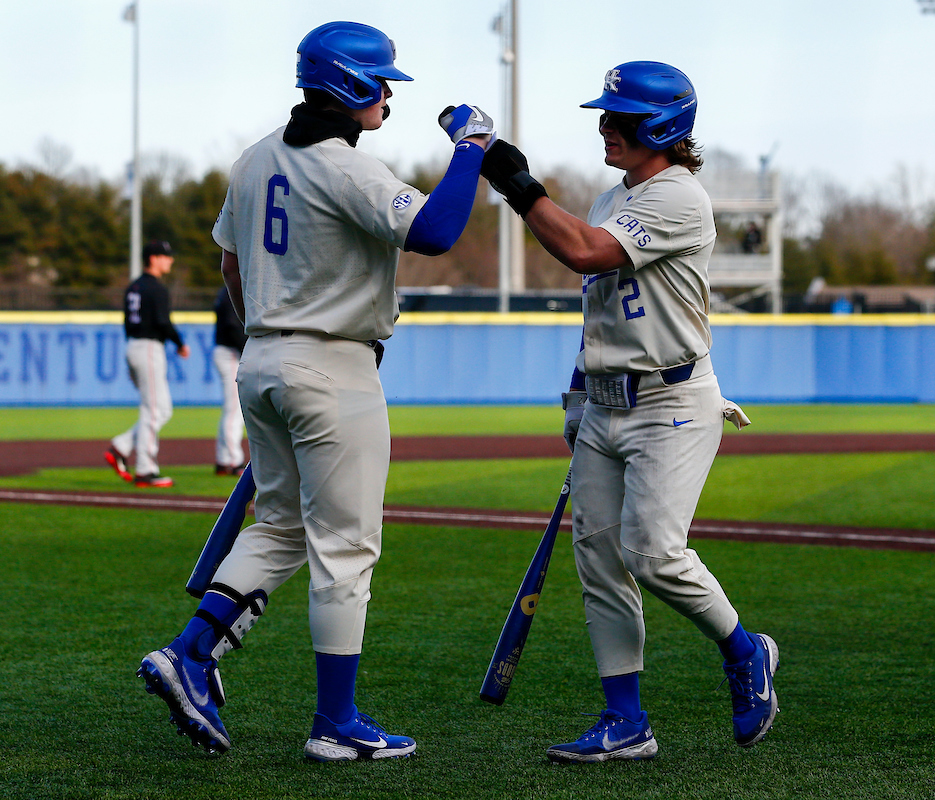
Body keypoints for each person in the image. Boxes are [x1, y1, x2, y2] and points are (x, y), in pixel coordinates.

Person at [137, 21, 495, 761]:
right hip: (333, 369)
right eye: (382, 80)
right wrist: (471, 151)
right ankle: (336, 725)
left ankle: (191, 653)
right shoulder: (346, 167)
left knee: (279, 529)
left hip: (263, 359)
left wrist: (276, 335)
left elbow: (233, 273)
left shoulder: (251, 158)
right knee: (346, 550)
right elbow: (436, 230)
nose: (389, 94)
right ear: (352, 85)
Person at [480, 61, 776, 763]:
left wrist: (516, 184)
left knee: (651, 552)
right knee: (600, 564)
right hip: (609, 403)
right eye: (605, 115)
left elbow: (583, 252)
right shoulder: (616, 193)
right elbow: (599, 309)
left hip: (672, 400)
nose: (605, 127)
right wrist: (579, 396)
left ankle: (744, 651)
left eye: (619, 117)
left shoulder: (679, 197)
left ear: (663, 128)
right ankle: (626, 721)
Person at [105, 239, 190, 488]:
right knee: (153, 410)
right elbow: (163, 322)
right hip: (149, 347)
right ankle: (145, 469)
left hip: (133, 346)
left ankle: (121, 447)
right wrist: (180, 343)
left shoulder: (134, 287)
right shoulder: (156, 288)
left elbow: (128, 322)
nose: (170, 260)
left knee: (161, 409)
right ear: (153, 258)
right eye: (165, 256)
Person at [212, 285, 248, 476]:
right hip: (230, 352)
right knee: (235, 410)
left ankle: (223, 460)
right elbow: (232, 324)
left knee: (231, 409)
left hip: (227, 350)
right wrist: (246, 349)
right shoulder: (231, 289)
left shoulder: (225, 289)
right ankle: (234, 461)